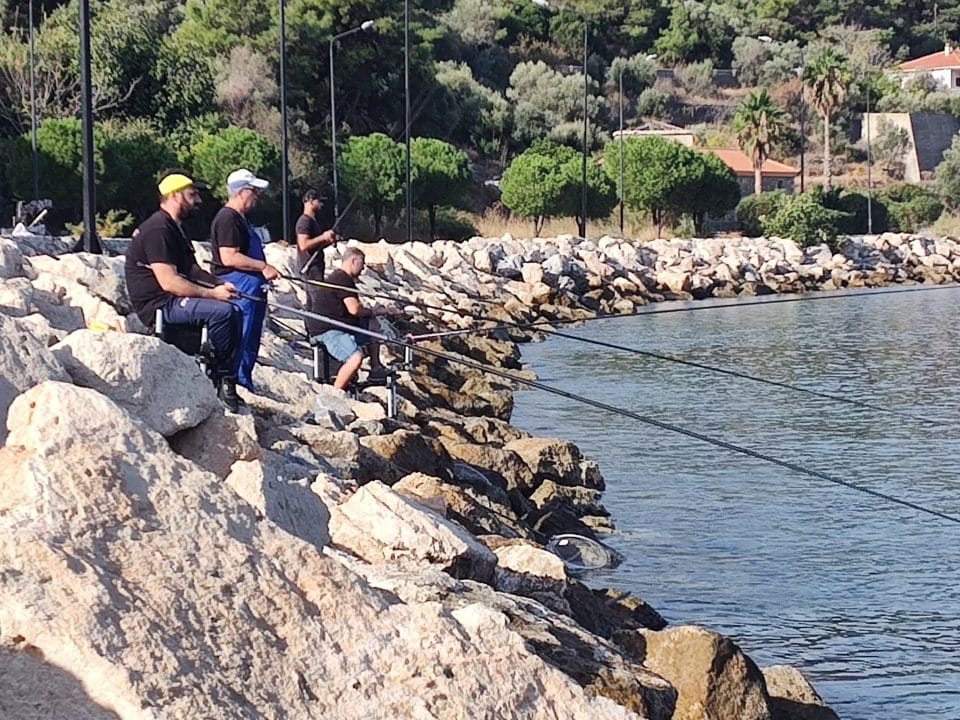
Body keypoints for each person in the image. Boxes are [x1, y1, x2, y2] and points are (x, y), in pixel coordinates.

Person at [124, 172, 243, 412]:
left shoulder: (174, 228)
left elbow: (191, 270)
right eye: (192, 194)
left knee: (236, 311)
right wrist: (213, 295)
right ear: (175, 195)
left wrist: (218, 284)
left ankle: (226, 376)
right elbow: (169, 282)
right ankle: (218, 377)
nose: (198, 200)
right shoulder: (158, 229)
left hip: (174, 300)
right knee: (224, 313)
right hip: (160, 305)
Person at [210, 168, 280, 392]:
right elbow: (229, 256)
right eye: (254, 191)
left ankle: (244, 381)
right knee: (242, 335)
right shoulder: (227, 219)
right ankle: (234, 382)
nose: (257, 197)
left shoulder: (240, 220)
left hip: (252, 286)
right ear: (241, 192)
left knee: (251, 338)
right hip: (239, 285)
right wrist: (263, 266)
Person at [307, 246, 400, 390]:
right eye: (362, 264)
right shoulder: (342, 279)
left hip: (340, 325)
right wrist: (374, 311)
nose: (363, 269)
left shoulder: (341, 277)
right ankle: (336, 392)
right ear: (353, 261)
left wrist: (378, 312)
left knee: (372, 323)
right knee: (356, 358)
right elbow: (355, 309)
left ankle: (375, 369)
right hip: (328, 330)